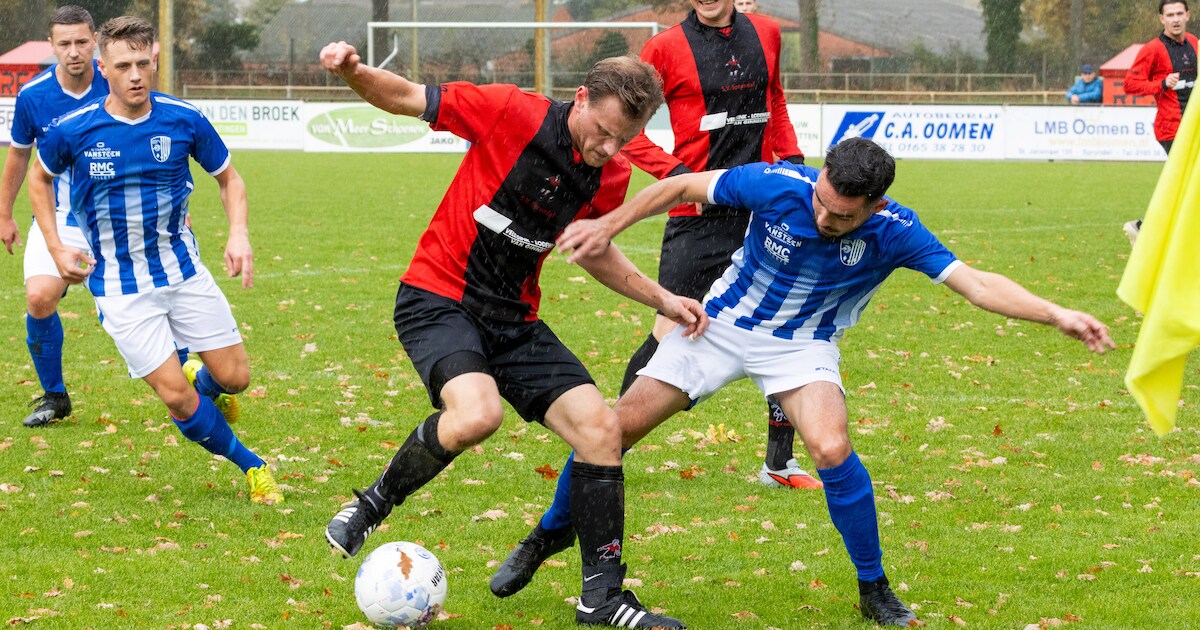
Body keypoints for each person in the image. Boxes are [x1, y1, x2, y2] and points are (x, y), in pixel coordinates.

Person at [523, 137, 1117, 626]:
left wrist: (1057, 313)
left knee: (831, 448)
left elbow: (977, 284)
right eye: (824, 203)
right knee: (613, 431)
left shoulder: (897, 230)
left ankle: (873, 587)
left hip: (803, 345)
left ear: (876, 205)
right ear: (821, 178)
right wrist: (610, 224)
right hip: (719, 325)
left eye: (844, 215)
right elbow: (681, 186)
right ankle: (547, 533)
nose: (827, 217)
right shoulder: (781, 185)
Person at [318, 40, 703, 629]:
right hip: (438, 297)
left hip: (513, 320)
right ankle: (372, 504)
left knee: (602, 429)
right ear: (580, 98)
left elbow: (593, 252)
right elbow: (404, 97)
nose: (606, 148)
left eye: (621, 141)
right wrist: (352, 71)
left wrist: (664, 300)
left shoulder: (611, 175)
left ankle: (602, 600)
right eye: (600, 130)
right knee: (476, 415)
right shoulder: (511, 112)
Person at [489, 0, 817, 602]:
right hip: (697, 222)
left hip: (764, 214)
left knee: (792, 330)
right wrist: (677, 179)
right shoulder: (665, 47)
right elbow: (627, 128)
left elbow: (775, 108)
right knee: (651, 368)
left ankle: (779, 461)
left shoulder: (767, 31)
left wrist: (791, 174)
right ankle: (547, 533)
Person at [27, 16, 283, 505]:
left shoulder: (182, 118)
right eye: (123, 66)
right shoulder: (73, 129)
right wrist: (56, 245)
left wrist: (239, 233)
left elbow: (229, 179)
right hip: (120, 287)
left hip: (183, 271)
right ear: (104, 69)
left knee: (235, 379)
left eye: (144, 63)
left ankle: (204, 381)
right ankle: (253, 465)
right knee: (176, 398)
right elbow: (39, 180)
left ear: (155, 60)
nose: (136, 75)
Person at [0, 6, 108, 427]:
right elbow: (18, 157)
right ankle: (55, 396)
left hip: (118, 217)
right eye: (64, 43)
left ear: (95, 40)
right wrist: (5, 214)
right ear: (52, 46)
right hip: (60, 214)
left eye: (82, 41)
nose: (74, 51)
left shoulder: (116, 81)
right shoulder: (33, 96)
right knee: (39, 297)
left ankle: (194, 379)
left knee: (144, 302)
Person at [1122, 0, 1198, 244]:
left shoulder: (1195, 44)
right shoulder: (1153, 49)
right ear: (1161, 19)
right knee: (1185, 183)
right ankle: (1146, 227)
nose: (1175, 19)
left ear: (1188, 15)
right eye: (1170, 15)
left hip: (1194, 127)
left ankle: (1147, 228)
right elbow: (1130, 84)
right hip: (1171, 128)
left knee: (1184, 184)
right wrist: (1161, 83)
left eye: (1179, 13)